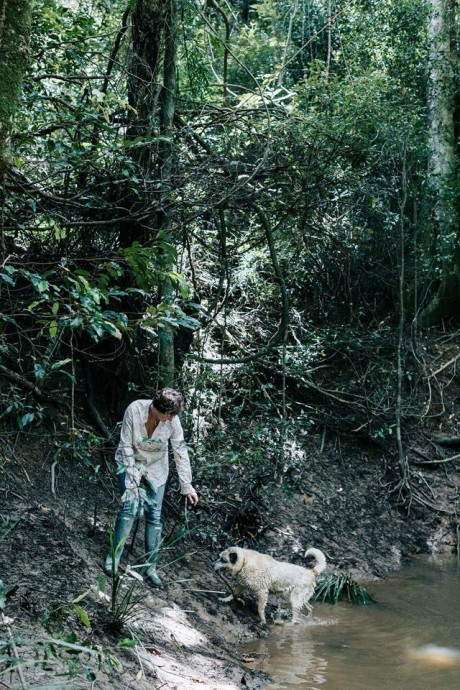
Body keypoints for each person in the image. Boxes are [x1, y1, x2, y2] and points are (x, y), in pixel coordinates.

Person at [103, 388, 198, 587]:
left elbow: (180, 451)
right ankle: (113, 559)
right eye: (169, 415)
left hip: (156, 467)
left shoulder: (173, 421)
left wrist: (187, 486)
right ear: (158, 409)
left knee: (154, 515)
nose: (171, 419)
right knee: (129, 507)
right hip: (131, 461)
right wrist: (133, 481)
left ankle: (150, 567)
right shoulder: (135, 410)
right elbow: (126, 445)